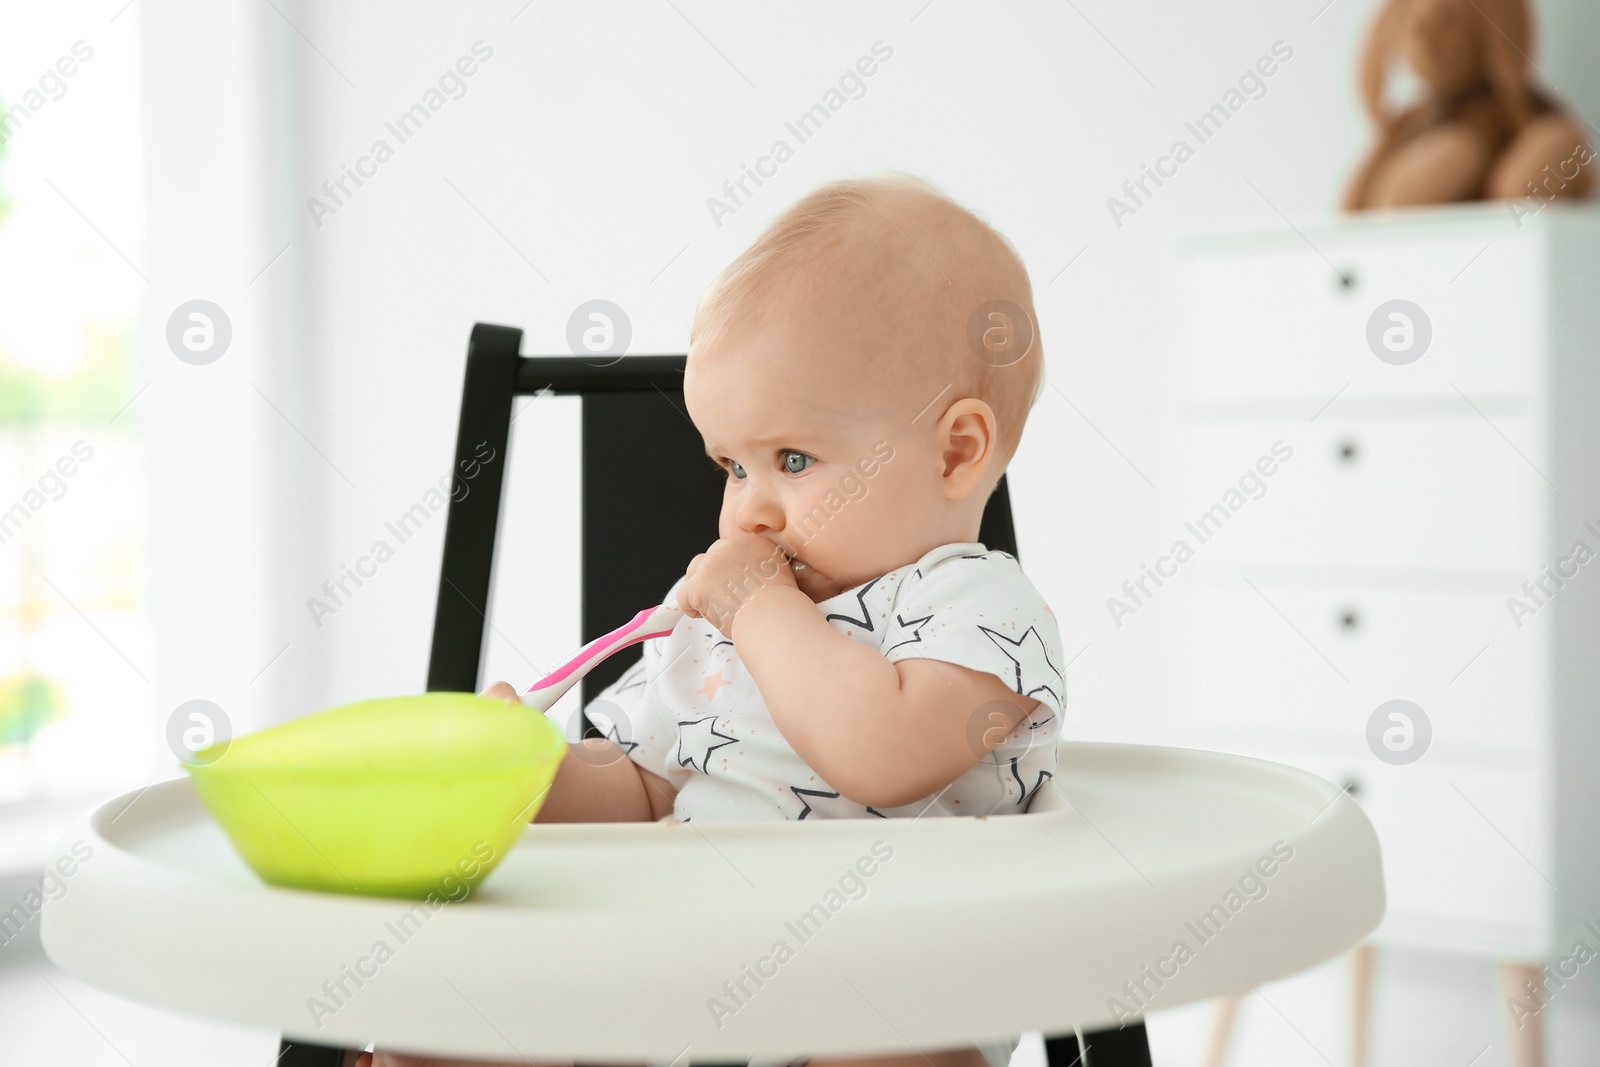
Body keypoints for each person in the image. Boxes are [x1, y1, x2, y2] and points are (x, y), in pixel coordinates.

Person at [359, 173, 1064, 1067]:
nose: (749, 513)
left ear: (956, 451)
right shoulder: (718, 632)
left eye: (794, 459)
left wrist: (760, 607)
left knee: (905, 1052)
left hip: (881, 981)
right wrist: (531, 774)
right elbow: (643, 782)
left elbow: (886, 755)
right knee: (450, 1028)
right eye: (732, 467)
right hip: (667, 970)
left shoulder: (980, 608)